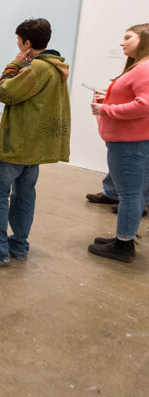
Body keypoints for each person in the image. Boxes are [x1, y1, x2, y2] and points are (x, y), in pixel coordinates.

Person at [0, 18, 70, 266]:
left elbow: (6, 92)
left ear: (27, 43)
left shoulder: (37, 69)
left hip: (15, 145)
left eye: (18, 41)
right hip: (35, 147)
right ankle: (18, 247)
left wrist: (13, 64)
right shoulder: (57, 68)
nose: (17, 45)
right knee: (25, 196)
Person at [88, 24, 149, 262]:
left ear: (143, 39)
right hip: (130, 140)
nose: (122, 42)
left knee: (129, 195)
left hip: (129, 142)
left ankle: (123, 245)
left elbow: (144, 104)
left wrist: (107, 109)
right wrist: (109, 99)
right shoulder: (141, 67)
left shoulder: (144, 68)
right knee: (130, 194)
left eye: (127, 37)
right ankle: (123, 237)